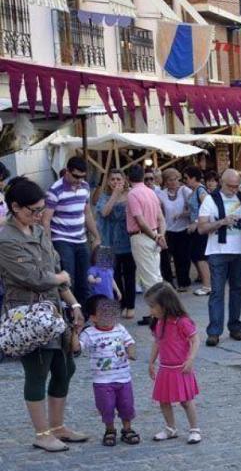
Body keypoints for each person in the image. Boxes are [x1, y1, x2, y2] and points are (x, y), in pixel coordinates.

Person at [0, 177, 87, 452]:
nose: (39, 215)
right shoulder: (5, 239)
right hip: (28, 314)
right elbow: (33, 277)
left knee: (65, 367)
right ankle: (42, 433)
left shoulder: (38, 232)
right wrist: (60, 276)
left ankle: (58, 426)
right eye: (33, 210)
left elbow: (56, 273)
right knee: (38, 370)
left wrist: (74, 305)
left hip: (54, 309)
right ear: (15, 207)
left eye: (41, 210)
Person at [73, 295, 138, 447]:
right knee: (106, 407)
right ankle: (110, 430)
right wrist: (76, 331)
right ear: (93, 317)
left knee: (127, 405)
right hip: (102, 380)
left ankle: (127, 429)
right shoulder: (89, 333)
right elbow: (77, 348)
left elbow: (130, 342)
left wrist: (131, 352)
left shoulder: (120, 329)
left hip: (123, 377)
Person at [198, 169, 241, 347]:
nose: (234, 190)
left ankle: (235, 327)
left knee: (238, 290)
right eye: (231, 186)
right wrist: (221, 222)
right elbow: (201, 228)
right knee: (217, 292)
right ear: (222, 182)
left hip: (240, 250)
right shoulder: (210, 200)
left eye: (237, 186)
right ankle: (214, 331)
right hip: (217, 250)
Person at [145, 282, 202, 445]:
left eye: (153, 306)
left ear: (165, 304)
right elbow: (157, 342)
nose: (151, 311)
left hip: (181, 368)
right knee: (164, 400)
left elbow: (195, 339)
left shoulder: (182, 321)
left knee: (186, 401)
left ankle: (194, 429)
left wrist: (190, 359)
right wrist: (151, 361)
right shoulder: (159, 322)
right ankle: (170, 428)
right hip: (165, 368)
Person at [43, 156, 101, 305]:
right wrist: (49, 246)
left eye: (82, 177)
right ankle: (71, 315)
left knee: (85, 279)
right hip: (62, 239)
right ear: (67, 172)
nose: (79, 180)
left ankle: (85, 316)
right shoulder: (55, 190)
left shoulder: (85, 187)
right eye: (76, 176)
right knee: (69, 280)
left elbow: (87, 213)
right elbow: (46, 219)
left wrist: (96, 235)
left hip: (81, 238)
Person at [126, 165, 167, 326]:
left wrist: (156, 236)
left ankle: (159, 315)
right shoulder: (151, 192)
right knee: (155, 275)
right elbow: (161, 218)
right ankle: (157, 313)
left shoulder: (133, 194)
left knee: (149, 278)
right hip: (154, 234)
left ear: (129, 178)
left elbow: (140, 221)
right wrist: (160, 235)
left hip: (142, 237)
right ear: (143, 177)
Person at [95, 169, 135, 318]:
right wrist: (115, 195)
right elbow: (104, 212)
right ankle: (119, 304)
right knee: (111, 277)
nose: (116, 182)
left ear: (124, 180)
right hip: (107, 242)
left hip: (128, 241)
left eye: (119, 179)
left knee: (129, 275)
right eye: (112, 179)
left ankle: (130, 306)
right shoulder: (104, 196)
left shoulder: (131, 195)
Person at [158, 168, 193, 292]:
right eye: (169, 180)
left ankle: (184, 282)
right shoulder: (161, 194)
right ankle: (169, 283)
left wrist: (182, 214)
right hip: (168, 231)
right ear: (165, 181)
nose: (173, 182)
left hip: (184, 229)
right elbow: (159, 211)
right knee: (166, 258)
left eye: (175, 179)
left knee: (183, 257)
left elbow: (194, 209)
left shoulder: (185, 191)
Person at [184, 166, 212, 296]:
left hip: (201, 228)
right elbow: (194, 209)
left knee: (201, 257)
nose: (185, 181)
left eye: (187, 178)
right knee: (196, 255)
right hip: (196, 228)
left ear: (193, 178)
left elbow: (207, 208)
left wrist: (196, 223)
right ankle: (204, 282)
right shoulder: (194, 190)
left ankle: (207, 286)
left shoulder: (201, 190)